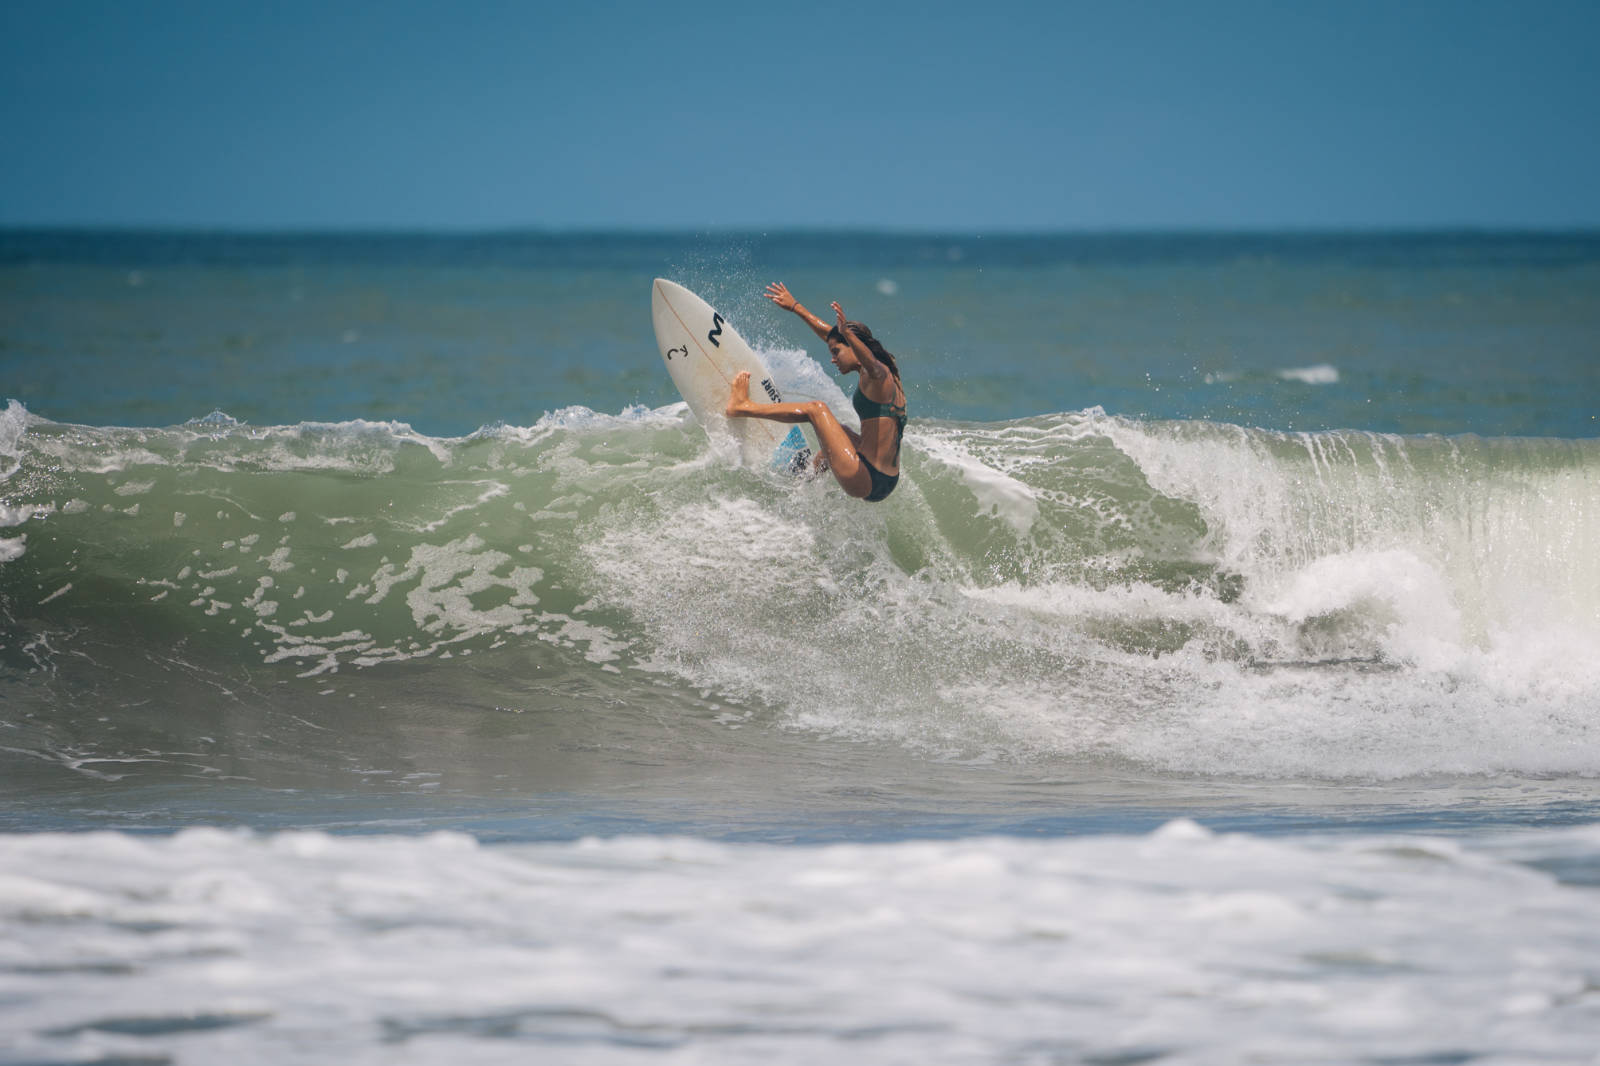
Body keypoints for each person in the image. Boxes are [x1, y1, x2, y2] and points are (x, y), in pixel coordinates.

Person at [725, 282, 907, 503]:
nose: (833, 359)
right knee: (841, 432)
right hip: (886, 479)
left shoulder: (877, 375)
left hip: (865, 477)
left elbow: (868, 362)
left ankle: (743, 407)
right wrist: (796, 307)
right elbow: (831, 335)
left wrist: (848, 334)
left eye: (836, 352)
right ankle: (805, 478)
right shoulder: (888, 372)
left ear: (855, 347)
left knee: (817, 410)